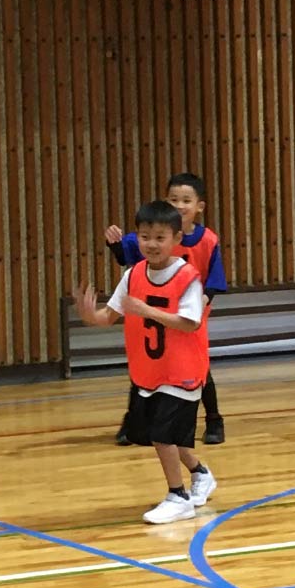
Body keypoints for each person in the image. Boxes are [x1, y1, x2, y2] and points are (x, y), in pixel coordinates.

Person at [76, 201, 217, 525]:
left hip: (182, 369)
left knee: (162, 436)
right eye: (144, 237)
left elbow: (190, 322)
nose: (151, 244)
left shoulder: (187, 278)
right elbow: (109, 316)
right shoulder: (133, 275)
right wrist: (89, 317)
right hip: (149, 370)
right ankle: (200, 473)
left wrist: (148, 311)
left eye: (159, 237)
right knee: (165, 434)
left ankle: (177, 496)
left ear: (176, 239)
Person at [106, 172, 229, 445]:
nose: (179, 205)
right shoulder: (155, 236)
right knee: (146, 369)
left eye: (186, 200)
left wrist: (196, 306)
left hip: (187, 316)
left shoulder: (207, 240)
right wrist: (114, 245)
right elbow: (128, 258)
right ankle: (133, 422)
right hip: (152, 314)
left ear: (199, 206)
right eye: (174, 199)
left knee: (198, 371)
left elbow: (214, 282)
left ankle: (214, 420)